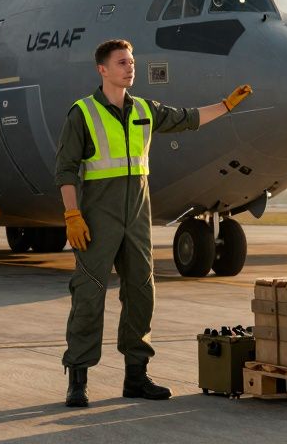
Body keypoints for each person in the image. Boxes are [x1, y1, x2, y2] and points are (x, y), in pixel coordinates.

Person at [55, 38, 253, 407]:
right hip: (98, 217)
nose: (130, 67)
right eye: (121, 63)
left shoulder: (145, 109)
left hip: (137, 217)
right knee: (88, 295)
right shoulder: (82, 113)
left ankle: (136, 377)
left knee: (141, 294)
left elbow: (189, 118)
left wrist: (226, 106)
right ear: (102, 69)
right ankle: (78, 380)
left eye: (131, 61)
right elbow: (65, 170)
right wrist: (72, 214)